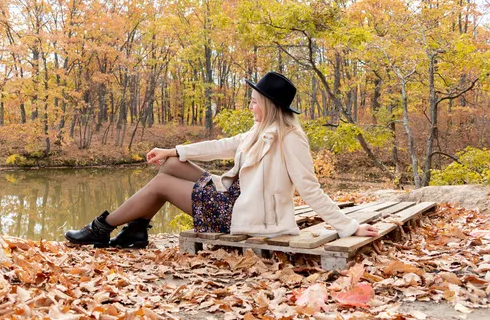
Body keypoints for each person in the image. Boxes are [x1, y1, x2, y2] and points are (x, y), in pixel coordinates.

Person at [64, 71, 379, 248]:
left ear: (269, 105)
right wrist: (173, 151)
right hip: (234, 197)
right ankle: (136, 230)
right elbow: (222, 145)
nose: (250, 106)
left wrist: (348, 226)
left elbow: (310, 189)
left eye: (254, 101)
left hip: (244, 215)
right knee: (170, 166)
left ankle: (100, 228)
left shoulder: (289, 139)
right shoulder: (260, 129)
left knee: (161, 183)